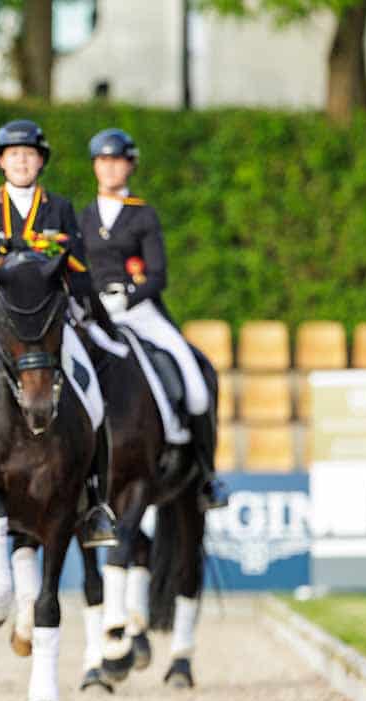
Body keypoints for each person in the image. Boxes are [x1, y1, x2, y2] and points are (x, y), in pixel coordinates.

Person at [0, 119, 116, 544]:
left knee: (90, 390)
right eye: (13, 155)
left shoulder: (58, 209)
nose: (21, 161)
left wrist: (61, 288)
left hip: (46, 319)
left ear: (40, 161)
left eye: (29, 154)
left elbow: (79, 270)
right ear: (2, 163)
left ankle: (96, 500)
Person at [77, 128, 227, 510]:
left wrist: (128, 296)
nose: (110, 168)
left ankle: (207, 476)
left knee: (195, 383)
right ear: (95, 166)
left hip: (140, 312)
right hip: (94, 314)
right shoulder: (82, 217)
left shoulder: (143, 215)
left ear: (130, 165)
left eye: (118, 161)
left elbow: (158, 275)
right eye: (103, 161)